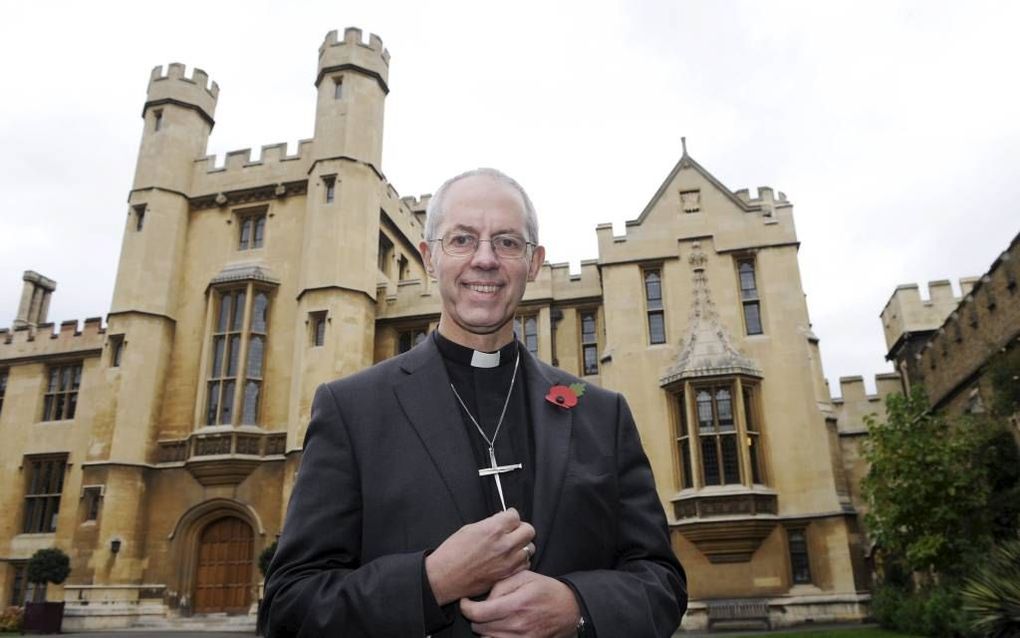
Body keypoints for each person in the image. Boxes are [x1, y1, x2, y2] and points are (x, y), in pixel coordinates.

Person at [259, 168, 686, 637]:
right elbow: (290, 605)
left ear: (534, 262)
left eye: (507, 242)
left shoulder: (602, 413)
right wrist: (430, 581)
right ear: (429, 259)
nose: (485, 259)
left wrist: (577, 607)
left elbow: (662, 582)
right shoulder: (352, 410)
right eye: (462, 240)